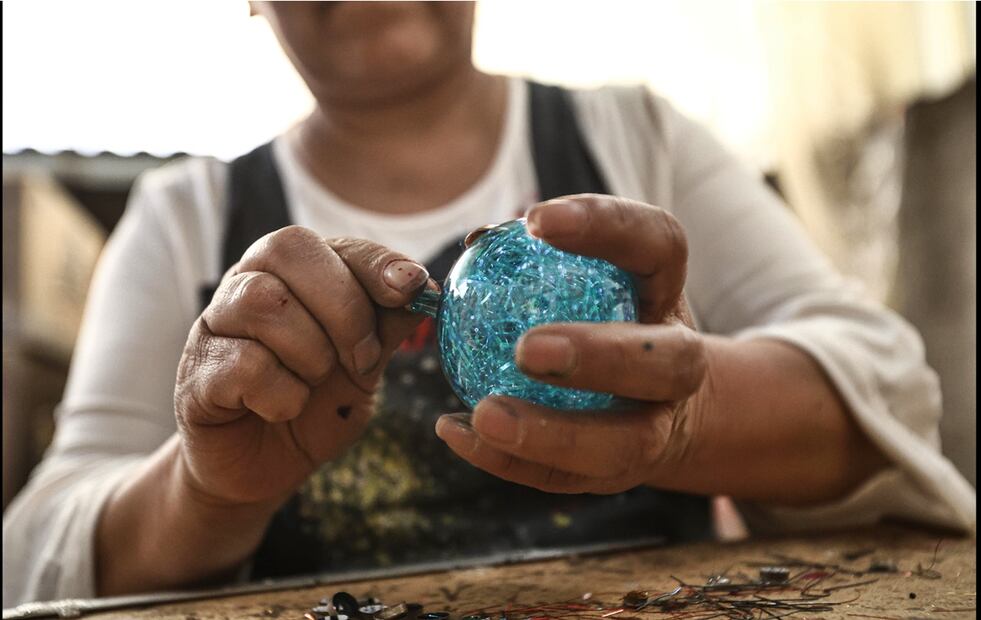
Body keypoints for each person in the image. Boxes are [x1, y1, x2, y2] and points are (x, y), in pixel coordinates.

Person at [3, 1, 974, 607]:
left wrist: (695, 414)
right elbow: (37, 550)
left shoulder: (634, 136)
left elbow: (890, 384)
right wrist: (206, 489)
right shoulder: (185, 218)